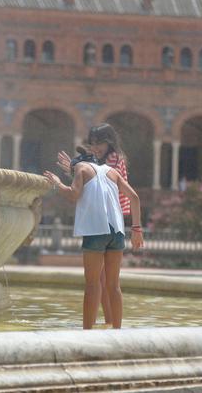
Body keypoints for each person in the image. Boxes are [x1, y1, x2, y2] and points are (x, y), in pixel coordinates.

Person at [44, 145, 143, 329]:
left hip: (95, 230)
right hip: (117, 232)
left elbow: (73, 195)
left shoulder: (81, 168)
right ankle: (117, 332)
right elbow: (134, 198)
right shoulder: (112, 172)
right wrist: (136, 229)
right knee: (113, 285)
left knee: (92, 284)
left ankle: (87, 333)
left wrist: (57, 183)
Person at [57, 123, 129, 326]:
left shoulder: (112, 159)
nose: (95, 148)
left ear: (110, 142)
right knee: (106, 281)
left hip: (107, 219)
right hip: (113, 220)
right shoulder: (110, 159)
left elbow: (101, 184)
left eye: (100, 143)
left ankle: (107, 322)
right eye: (93, 144)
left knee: (102, 281)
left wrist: (73, 169)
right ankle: (110, 324)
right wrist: (73, 168)